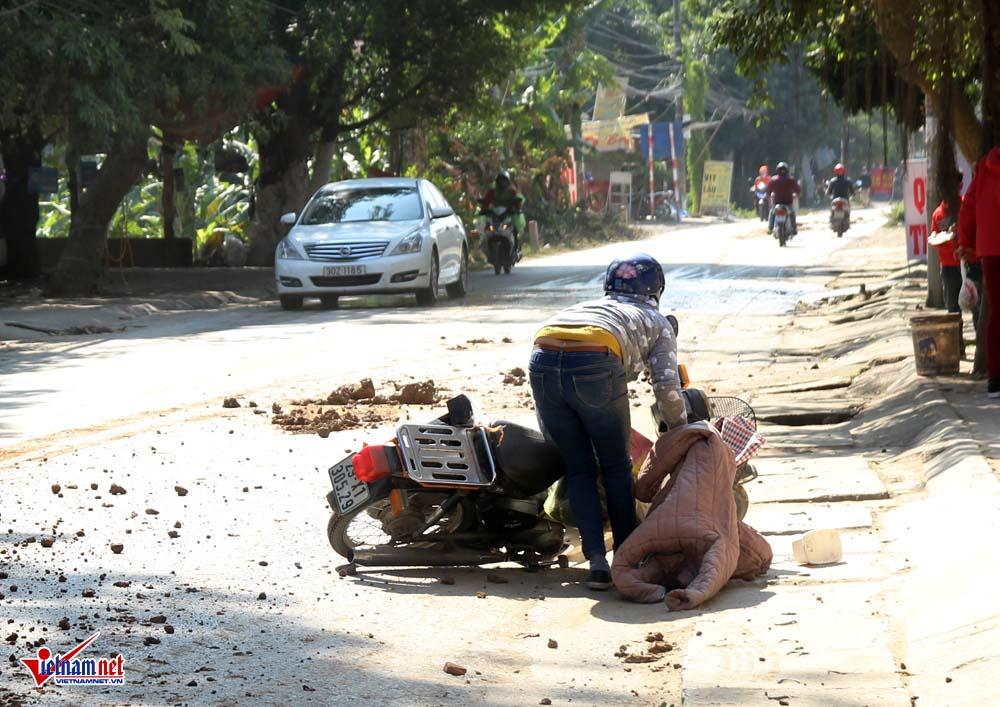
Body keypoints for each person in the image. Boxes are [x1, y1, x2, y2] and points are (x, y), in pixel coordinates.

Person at [529, 254, 687, 590]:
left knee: (579, 468)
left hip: (542, 353)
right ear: (656, 289)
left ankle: (597, 563)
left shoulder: (592, 307)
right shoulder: (656, 322)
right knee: (616, 466)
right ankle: (628, 559)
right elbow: (667, 389)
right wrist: (681, 431)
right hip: (595, 361)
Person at [957, 146, 1000, 397]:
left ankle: (995, 378)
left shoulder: (984, 167)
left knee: (997, 312)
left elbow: (968, 207)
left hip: (990, 249)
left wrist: (966, 243)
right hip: (989, 247)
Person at [931, 180, 981, 356]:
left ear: (960, 186)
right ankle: (957, 349)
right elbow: (934, 238)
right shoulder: (938, 213)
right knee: (953, 309)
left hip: (970, 264)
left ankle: (981, 347)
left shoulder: (966, 206)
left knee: (977, 306)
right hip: (949, 267)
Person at [479, 170, 525, 256]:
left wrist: (516, 208)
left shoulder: (511, 191)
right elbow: (486, 202)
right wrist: (484, 209)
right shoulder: (492, 192)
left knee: (514, 230)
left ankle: (516, 249)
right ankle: (486, 250)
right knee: (487, 229)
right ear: (497, 182)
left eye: (504, 181)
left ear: (507, 182)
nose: (502, 183)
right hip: (495, 216)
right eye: (500, 181)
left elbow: (517, 202)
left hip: (507, 215)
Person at [766, 161, 800, 235]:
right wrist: (797, 196)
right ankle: (794, 228)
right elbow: (797, 190)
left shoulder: (773, 180)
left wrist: (769, 201)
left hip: (777, 203)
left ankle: (770, 228)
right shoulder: (791, 179)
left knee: (772, 212)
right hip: (788, 203)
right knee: (792, 214)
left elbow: (768, 192)